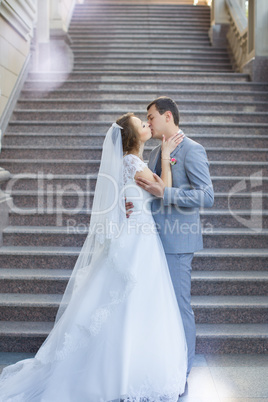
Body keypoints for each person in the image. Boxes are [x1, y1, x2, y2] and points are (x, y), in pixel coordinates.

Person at [0, 113, 188, 401]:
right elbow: (163, 190)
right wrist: (165, 155)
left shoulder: (129, 163)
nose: (147, 125)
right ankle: (120, 370)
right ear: (132, 136)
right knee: (132, 301)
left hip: (139, 235)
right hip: (139, 239)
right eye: (142, 124)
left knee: (131, 302)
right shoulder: (133, 163)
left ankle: (123, 365)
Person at [127, 97, 214, 376]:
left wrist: (166, 193)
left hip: (178, 241)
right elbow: (150, 191)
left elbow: (206, 196)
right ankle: (165, 362)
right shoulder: (155, 153)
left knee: (179, 304)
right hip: (152, 241)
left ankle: (184, 367)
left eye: (150, 117)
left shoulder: (192, 149)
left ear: (167, 116)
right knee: (160, 305)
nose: (148, 122)